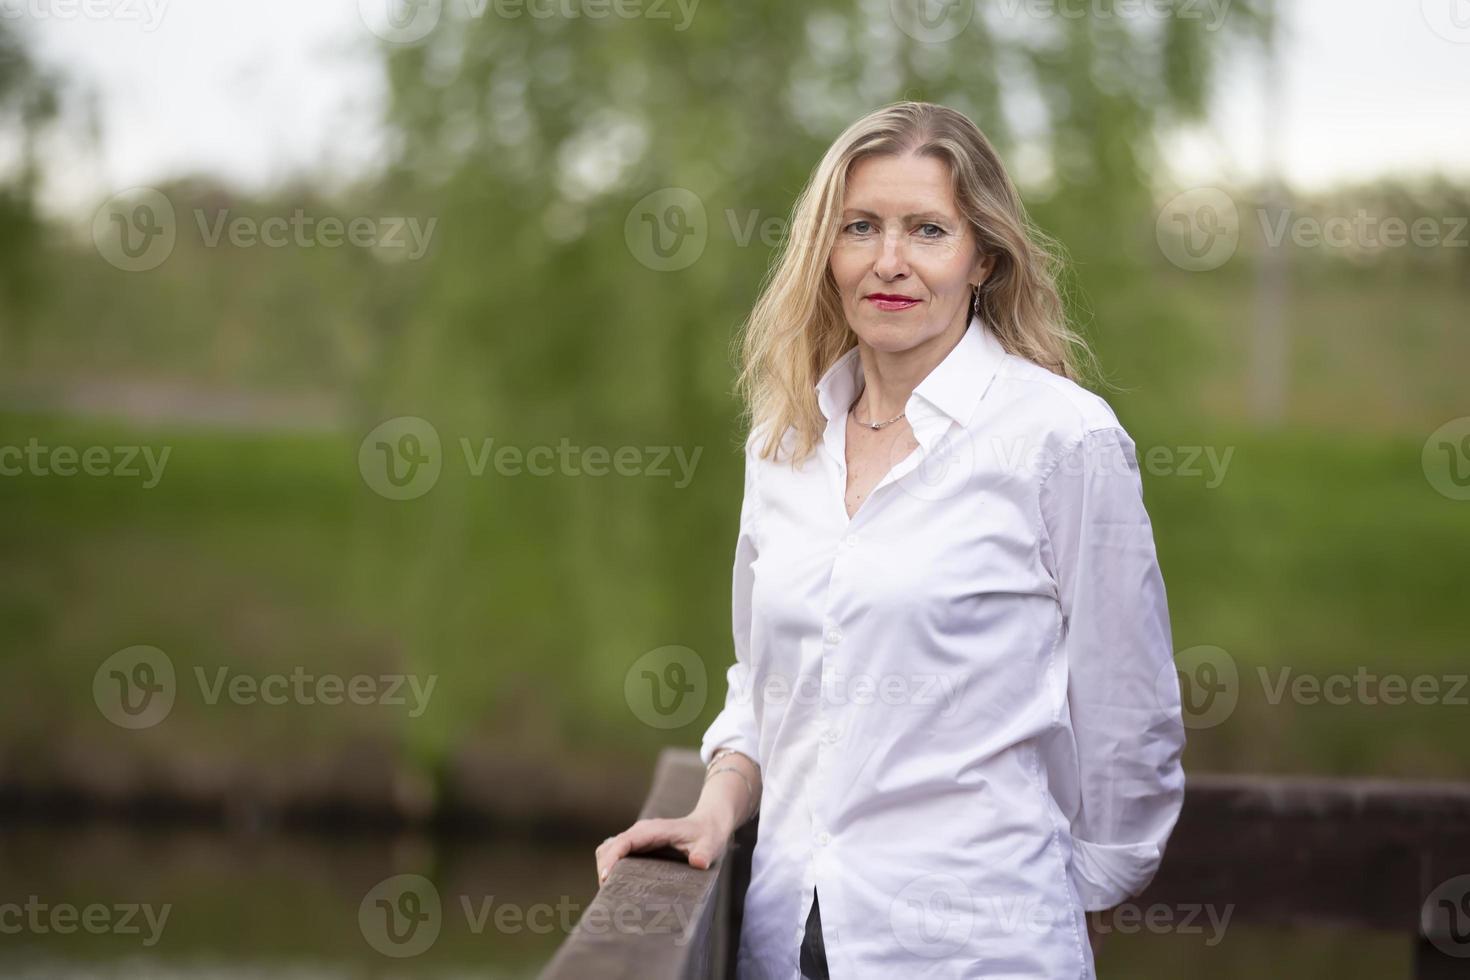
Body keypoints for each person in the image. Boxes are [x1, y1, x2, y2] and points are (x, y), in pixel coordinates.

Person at [596, 100, 1187, 979]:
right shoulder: (785, 440)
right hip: (788, 941)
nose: (889, 262)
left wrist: (1067, 894)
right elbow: (765, 681)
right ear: (824, 251)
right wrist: (716, 807)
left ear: (983, 255)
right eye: (860, 227)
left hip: (978, 954)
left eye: (928, 230)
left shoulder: (1060, 438)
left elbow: (1128, 710)